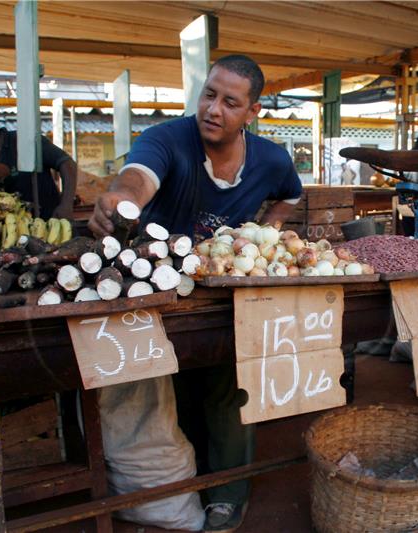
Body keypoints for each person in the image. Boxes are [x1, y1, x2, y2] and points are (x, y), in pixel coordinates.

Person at [89, 55, 302, 532]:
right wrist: (122, 202)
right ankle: (182, 481)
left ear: (252, 112)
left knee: (228, 385)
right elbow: (139, 177)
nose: (213, 109)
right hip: (160, 288)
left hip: (225, 292)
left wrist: (269, 230)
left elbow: (291, 193)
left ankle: (228, 492)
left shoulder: (270, 158)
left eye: (231, 102)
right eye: (209, 94)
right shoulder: (169, 139)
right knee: (172, 385)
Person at [0, 101, 78, 219]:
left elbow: (67, 164)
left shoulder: (24, 141)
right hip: (10, 230)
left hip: (49, 223)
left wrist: (66, 204)